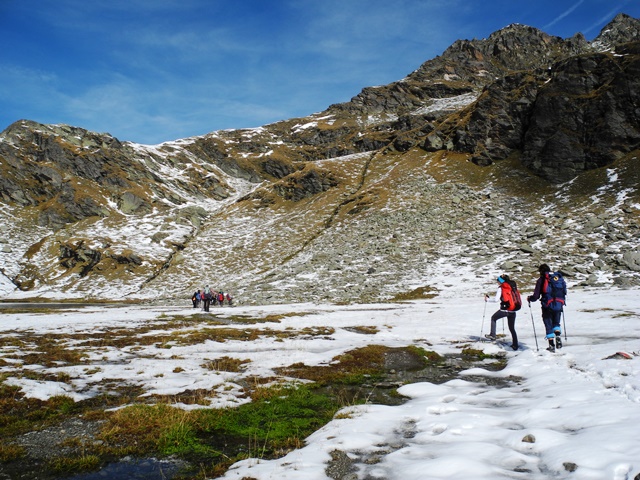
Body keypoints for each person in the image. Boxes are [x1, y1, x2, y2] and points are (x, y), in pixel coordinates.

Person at [527, 263, 563, 352]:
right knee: (556, 322)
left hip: (547, 305)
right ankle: (557, 335)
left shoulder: (541, 280)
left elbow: (536, 296)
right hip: (558, 304)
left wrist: (530, 298)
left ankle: (551, 345)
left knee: (548, 323)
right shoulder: (556, 278)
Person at [484, 274, 519, 350]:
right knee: (512, 328)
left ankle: (492, 335)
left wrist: (488, 300)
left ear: (501, 282)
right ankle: (515, 345)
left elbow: (496, 300)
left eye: (498, 281)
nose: (497, 283)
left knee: (493, 318)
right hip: (513, 309)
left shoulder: (502, 288)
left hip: (505, 309)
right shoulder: (512, 286)